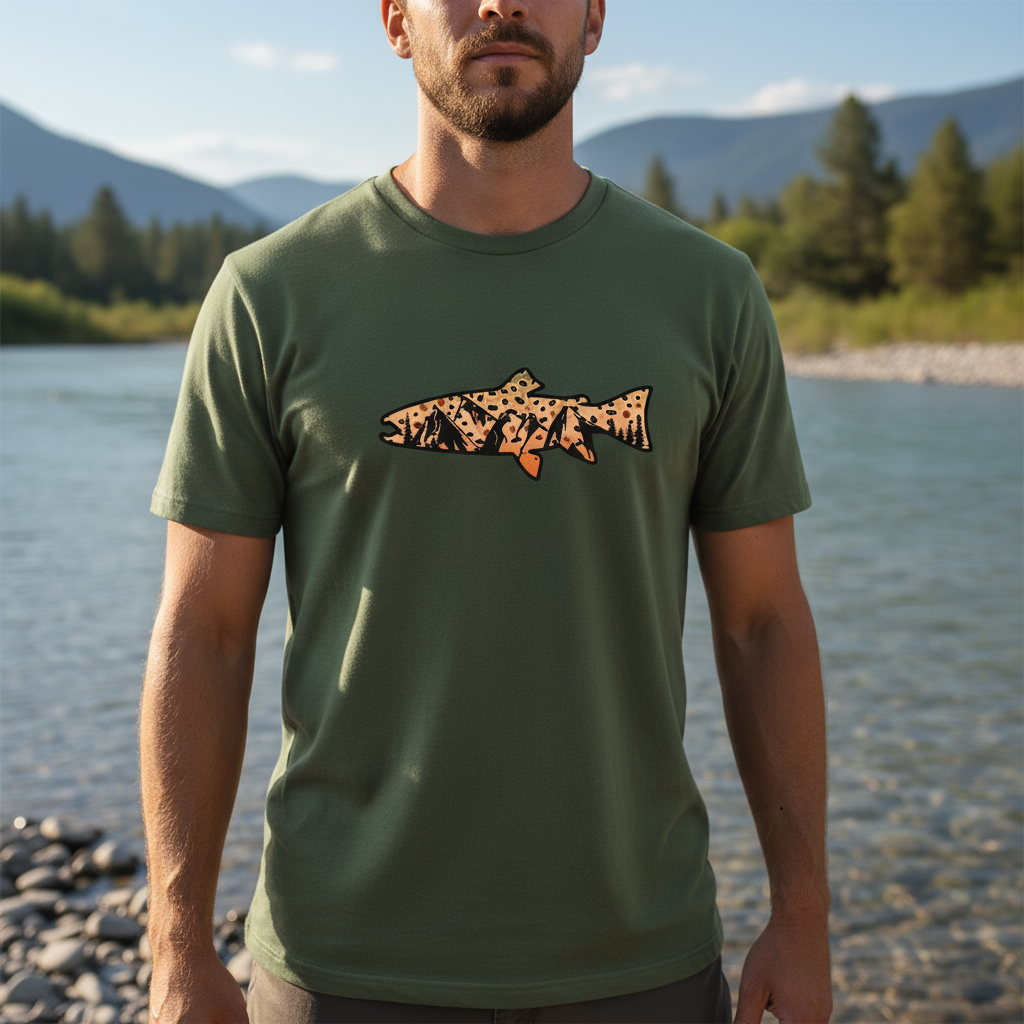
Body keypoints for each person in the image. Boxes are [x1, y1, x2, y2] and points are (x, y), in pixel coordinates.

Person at [139, 0, 833, 1021]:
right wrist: (177, 945)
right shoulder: (266, 297)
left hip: (642, 963)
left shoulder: (710, 295)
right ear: (392, 19)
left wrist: (803, 915)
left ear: (595, 18)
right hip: (338, 968)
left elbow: (763, 621)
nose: (501, 3)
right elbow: (203, 631)